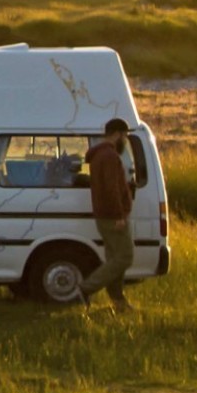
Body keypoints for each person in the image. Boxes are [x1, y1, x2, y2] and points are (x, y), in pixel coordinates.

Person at [78, 118, 136, 311]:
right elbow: (112, 189)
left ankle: (118, 302)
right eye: (125, 136)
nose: (125, 140)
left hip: (104, 215)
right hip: (112, 216)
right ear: (117, 134)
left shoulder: (99, 155)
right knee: (125, 257)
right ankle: (86, 288)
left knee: (114, 260)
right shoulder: (110, 156)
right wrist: (119, 215)